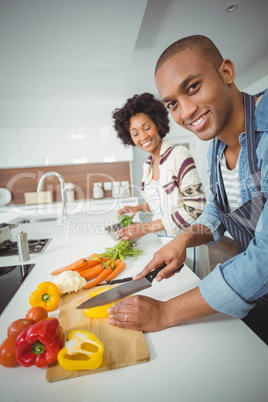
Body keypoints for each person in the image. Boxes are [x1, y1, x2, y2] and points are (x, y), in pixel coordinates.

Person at [108, 35, 268, 345]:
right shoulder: (216, 147)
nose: (187, 112)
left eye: (192, 87)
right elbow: (216, 209)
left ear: (227, 72)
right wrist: (185, 238)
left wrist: (165, 313)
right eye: (172, 104)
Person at [112, 92, 208, 279]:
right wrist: (138, 207)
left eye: (146, 127)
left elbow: (195, 208)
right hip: (161, 245)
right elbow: (165, 203)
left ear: (157, 124)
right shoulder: (147, 166)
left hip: (187, 246)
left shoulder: (178, 155)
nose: (143, 136)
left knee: (189, 293)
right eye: (135, 132)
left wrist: (145, 228)